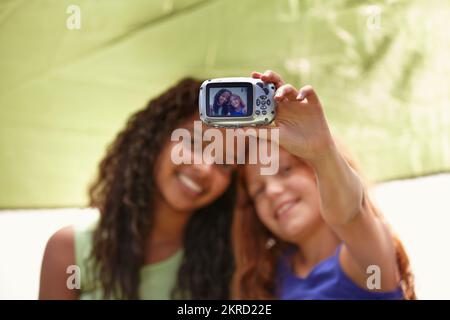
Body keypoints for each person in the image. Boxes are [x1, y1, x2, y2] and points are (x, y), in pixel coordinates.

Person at [39, 78, 237, 299]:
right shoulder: (69, 250)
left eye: (225, 162)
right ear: (156, 138)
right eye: (193, 142)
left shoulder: (228, 261)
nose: (205, 168)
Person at [232, 70, 416, 300]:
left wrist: (322, 153)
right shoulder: (269, 277)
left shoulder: (369, 267)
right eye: (258, 190)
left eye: (286, 170)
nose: (272, 191)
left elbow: (351, 214)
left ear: (316, 172)